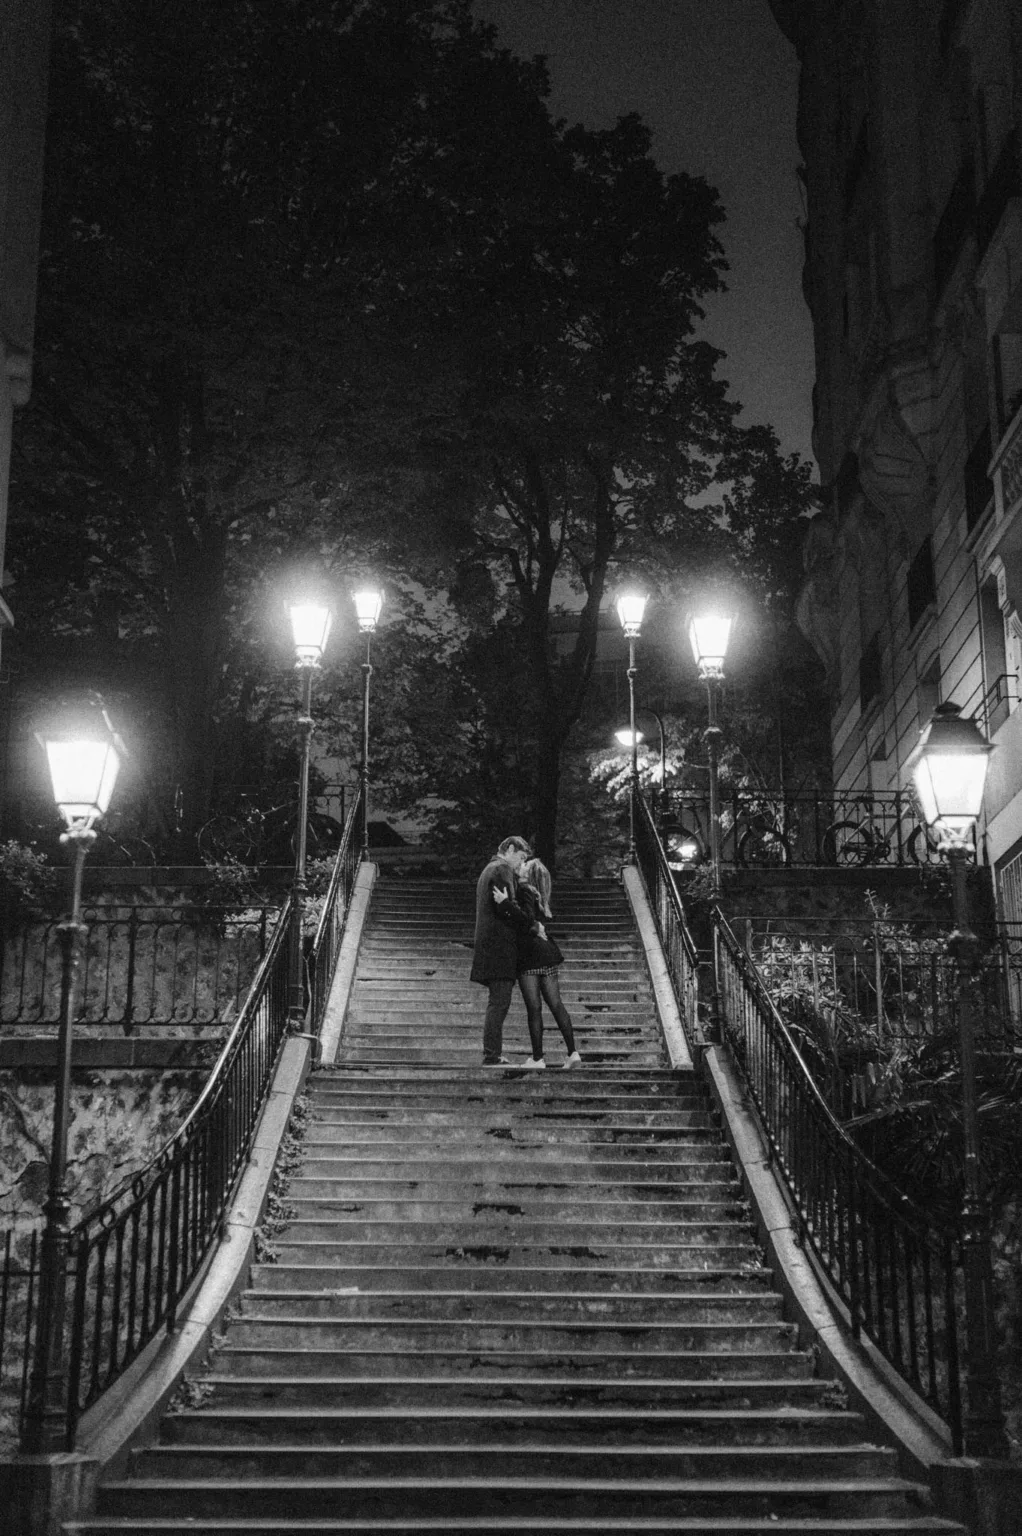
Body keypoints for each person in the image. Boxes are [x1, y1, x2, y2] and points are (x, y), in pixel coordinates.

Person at [470, 835, 536, 1065]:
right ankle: (492, 1054)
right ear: (509, 849)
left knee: (498, 1001)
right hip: (499, 948)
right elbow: (509, 910)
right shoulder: (502, 870)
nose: (521, 863)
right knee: (499, 1002)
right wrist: (528, 920)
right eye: (521, 857)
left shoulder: (491, 869)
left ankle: (492, 1053)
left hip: (491, 946)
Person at [515, 857, 581, 1070]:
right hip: (547, 954)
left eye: (525, 865)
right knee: (556, 1004)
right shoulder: (541, 897)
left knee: (534, 1009)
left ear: (530, 874)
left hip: (529, 954)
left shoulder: (524, 891)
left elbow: (525, 919)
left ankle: (537, 1058)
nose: (522, 865)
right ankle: (573, 1053)